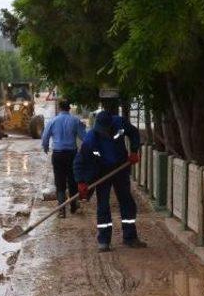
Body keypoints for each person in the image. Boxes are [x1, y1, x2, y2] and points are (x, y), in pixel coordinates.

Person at [74, 110, 145, 252]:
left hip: (120, 167)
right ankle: (104, 241)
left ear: (111, 125)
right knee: (103, 205)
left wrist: (134, 151)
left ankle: (130, 237)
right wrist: (81, 181)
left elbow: (134, 133)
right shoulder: (90, 139)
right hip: (102, 172)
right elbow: (79, 162)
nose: (103, 133)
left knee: (126, 202)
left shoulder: (120, 123)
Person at [42, 99, 86, 218]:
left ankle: (61, 210)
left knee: (59, 181)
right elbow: (84, 137)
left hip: (58, 154)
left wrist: (46, 148)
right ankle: (73, 206)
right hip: (72, 154)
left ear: (60, 108)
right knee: (72, 180)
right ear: (69, 108)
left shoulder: (53, 121)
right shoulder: (75, 121)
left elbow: (45, 137)